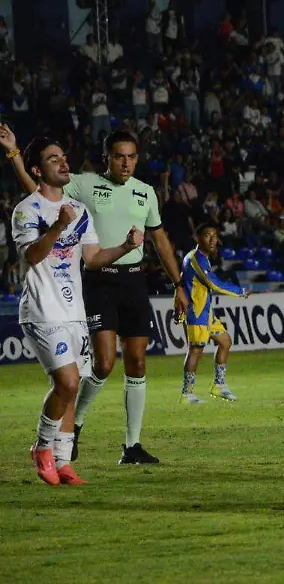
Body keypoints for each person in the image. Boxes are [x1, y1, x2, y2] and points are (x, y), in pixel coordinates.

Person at [1, 126, 188, 465]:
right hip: (98, 280)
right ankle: (75, 425)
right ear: (107, 158)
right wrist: (14, 154)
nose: (126, 163)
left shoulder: (146, 193)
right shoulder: (84, 184)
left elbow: (160, 240)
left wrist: (179, 284)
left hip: (134, 279)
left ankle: (132, 446)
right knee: (103, 363)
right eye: (119, 157)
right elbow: (41, 192)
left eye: (131, 157)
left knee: (138, 362)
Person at [13, 137, 145, 485]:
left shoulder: (79, 210)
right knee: (68, 382)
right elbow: (31, 256)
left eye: (63, 156)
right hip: (42, 309)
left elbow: (93, 258)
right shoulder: (27, 210)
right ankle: (42, 447)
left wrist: (125, 247)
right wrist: (58, 226)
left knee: (71, 390)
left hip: (74, 311)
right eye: (52, 159)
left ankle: (63, 462)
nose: (63, 162)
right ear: (37, 170)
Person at [179, 222, 251, 403]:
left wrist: (176, 303)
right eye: (207, 236)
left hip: (206, 312)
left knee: (225, 341)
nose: (212, 240)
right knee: (195, 350)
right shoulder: (197, 259)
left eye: (215, 236)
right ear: (198, 238)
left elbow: (179, 281)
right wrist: (240, 291)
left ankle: (219, 386)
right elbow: (213, 283)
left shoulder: (197, 257)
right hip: (196, 312)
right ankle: (187, 393)